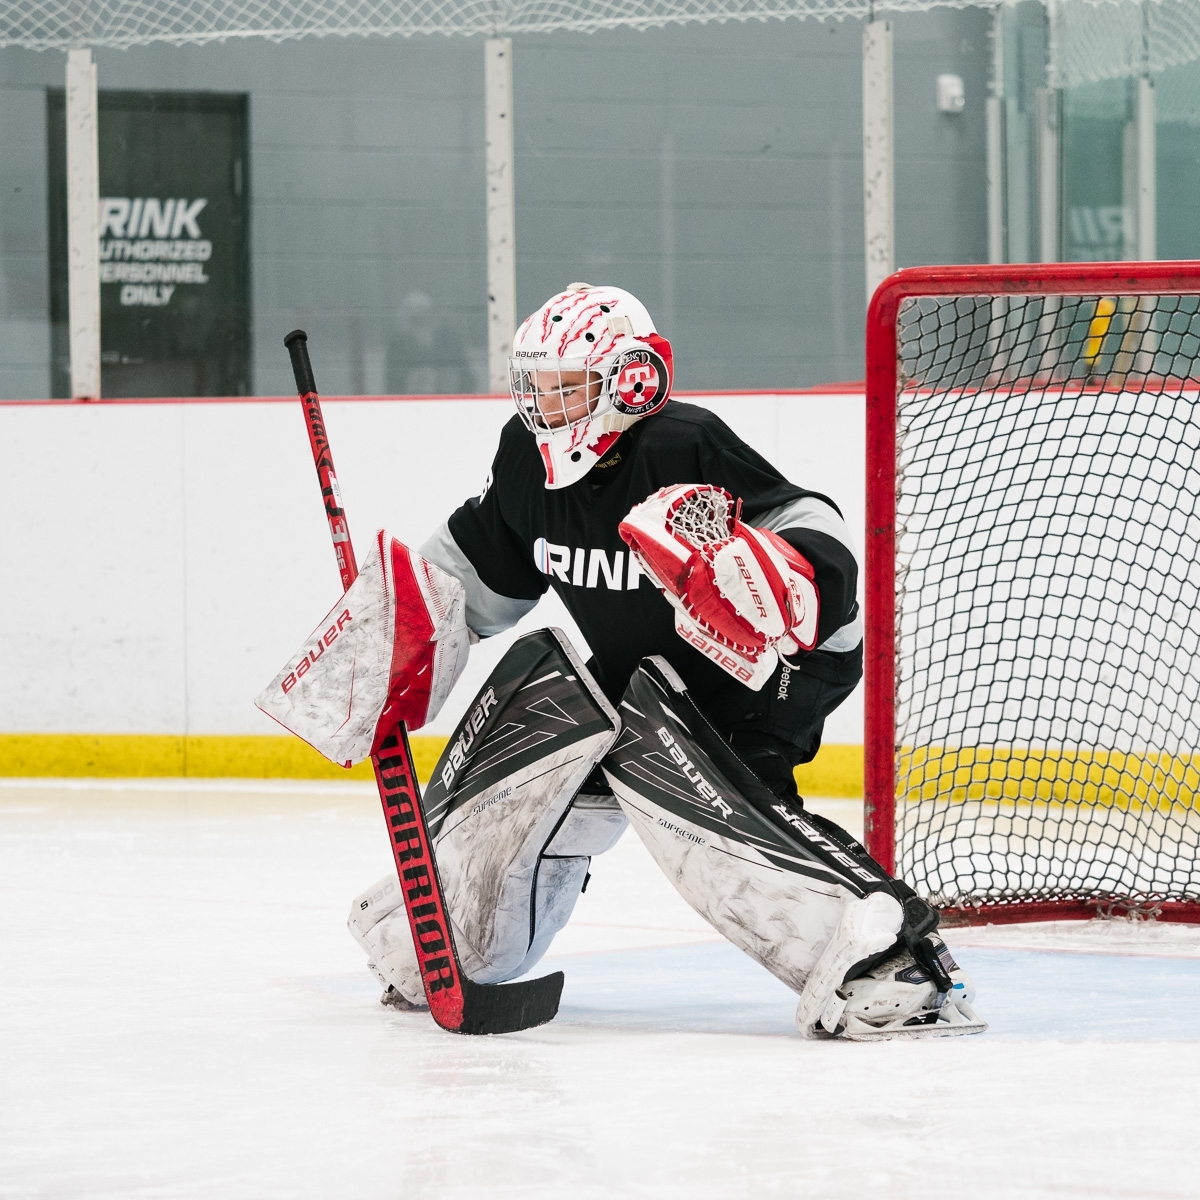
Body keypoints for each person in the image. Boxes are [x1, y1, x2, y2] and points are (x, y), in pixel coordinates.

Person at [348, 283, 985, 1039]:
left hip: (767, 669)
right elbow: (475, 572)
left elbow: (806, 521)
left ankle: (893, 964)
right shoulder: (526, 459)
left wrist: (794, 577)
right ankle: (453, 947)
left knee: (696, 801)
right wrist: (396, 644)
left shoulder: (680, 444)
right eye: (536, 385)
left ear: (630, 377)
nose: (545, 404)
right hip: (643, 669)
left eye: (567, 386)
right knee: (535, 746)